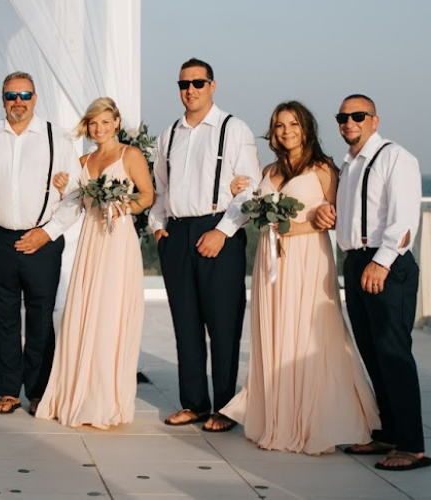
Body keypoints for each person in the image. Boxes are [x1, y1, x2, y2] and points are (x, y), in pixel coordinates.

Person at [219, 101, 379, 454]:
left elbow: (342, 217)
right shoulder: (270, 170)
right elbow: (252, 209)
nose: (286, 130)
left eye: (293, 124)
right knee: (274, 332)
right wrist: (239, 193)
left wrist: (314, 218)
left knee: (312, 335)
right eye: (279, 125)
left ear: (306, 128)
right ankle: (278, 415)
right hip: (270, 263)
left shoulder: (324, 169)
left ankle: (317, 418)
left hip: (308, 261)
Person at [315, 94, 429, 470]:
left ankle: (412, 445)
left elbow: (404, 220)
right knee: (372, 352)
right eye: (342, 117)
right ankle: (389, 432)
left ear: (374, 120)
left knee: (394, 353)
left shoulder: (397, 158)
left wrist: (380, 263)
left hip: (387, 264)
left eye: (358, 115)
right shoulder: (348, 166)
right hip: (357, 261)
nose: (349, 122)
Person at [150, 58, 261, 433]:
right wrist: (157, 226)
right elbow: (160, 189)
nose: (190, 90)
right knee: (186, 324)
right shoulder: (168, 135)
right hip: (177, 235)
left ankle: (225, 407)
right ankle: (194, 404)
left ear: (212, 85)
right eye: (184, 84)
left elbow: (250, 189)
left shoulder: (234, 129)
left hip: (219, 232)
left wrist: (224, 230)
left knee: (224, 323)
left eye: (198, 83)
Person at [35, 97, 154, 429]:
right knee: (85, 311)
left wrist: (120, 204)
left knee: (112, 314)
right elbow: (78, 203)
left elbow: (147, 195)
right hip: (91, 241)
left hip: (118, 242)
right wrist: (63, 189)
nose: (98, 128)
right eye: (93, 123)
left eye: (105, 122)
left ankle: (107, 398)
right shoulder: (83, 160)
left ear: (116, 122)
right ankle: (79, 391)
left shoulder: (130, 156)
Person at [0, 72, 80, 416]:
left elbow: (76, 196)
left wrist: (47, 232)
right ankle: (6, 390)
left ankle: (40, 391)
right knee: (2, 317)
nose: (17, 101)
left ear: (35, 98)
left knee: (39, 318)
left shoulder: (57, 138)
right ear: (2, 98)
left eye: (24, 94)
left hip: (43, 240)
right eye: (11, 95)